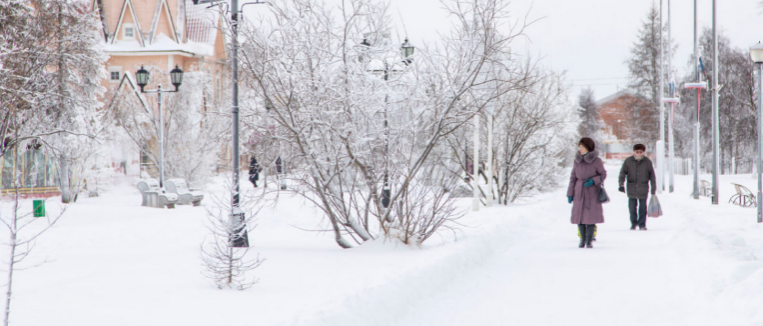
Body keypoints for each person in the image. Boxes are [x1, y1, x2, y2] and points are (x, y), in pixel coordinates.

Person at [567, 137, 607, 248]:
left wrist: (593, 181)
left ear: (588, 148)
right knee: (579, 216)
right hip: (579, 190)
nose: (580, 149)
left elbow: (603, 174)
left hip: (592, 191)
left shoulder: (596, 161)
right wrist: (570, 194)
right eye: (579, 147)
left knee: (590, 217)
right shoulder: (577, 161)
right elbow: (573, 178)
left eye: (582, 147)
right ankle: (582, 239)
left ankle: (589, 240)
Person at [618, 144, 656, 231]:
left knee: (642, 207)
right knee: (632, 207)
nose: (638, 154)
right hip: (631, 188)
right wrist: (621, 184)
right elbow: (622, 173)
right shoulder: (628, 161)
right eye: (637, 152)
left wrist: (653, 189)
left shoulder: (647, 162)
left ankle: (642, 224)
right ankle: (633, 223)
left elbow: (652, 176)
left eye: (640, 152)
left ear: (643, 152)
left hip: (643, 187)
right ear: (633, 152)